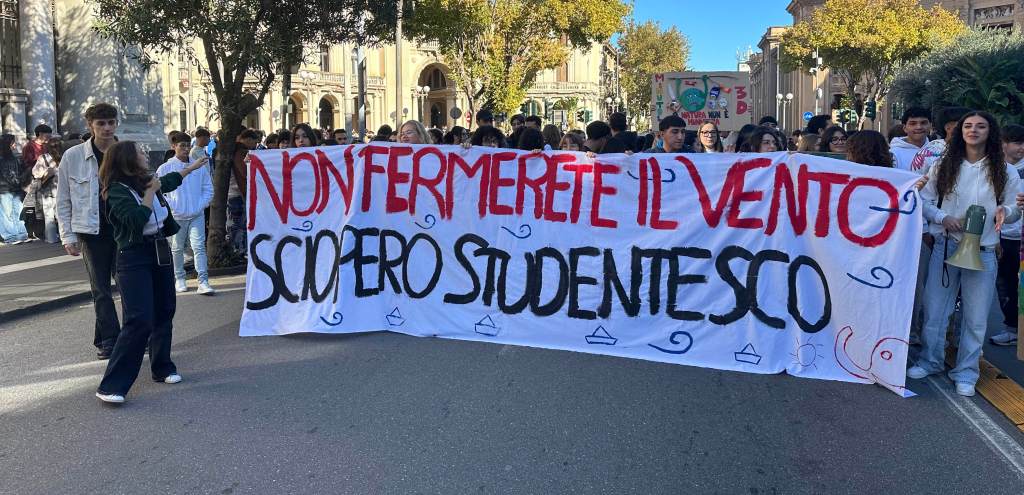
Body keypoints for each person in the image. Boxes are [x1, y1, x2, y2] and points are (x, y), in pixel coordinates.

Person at [909, 111, 1022, 397]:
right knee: (935, 311)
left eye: (980, 126)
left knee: (975, 318)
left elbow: (1015, 209)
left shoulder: (1004, 170)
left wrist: (1004, 212)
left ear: (990, 132)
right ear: (960, 131)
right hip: (947, 248)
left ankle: (966, 371)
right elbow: (924, 199)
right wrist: (942, 217)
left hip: (983, 252)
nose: (973, 130)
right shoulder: (944, 164)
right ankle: (930, 360)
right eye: (968, 126)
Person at [93, 140, 207, 404]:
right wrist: (149, 193)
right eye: (140, 153)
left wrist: (190, 169)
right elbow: (135, 220)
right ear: (127, 160)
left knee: (165, 310)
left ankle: (162, 367)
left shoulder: (146, 180)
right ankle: (112, 385)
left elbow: (167, 182)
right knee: (138, 319)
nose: (145, 156)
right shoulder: (117, 190)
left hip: (159, 249)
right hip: (133, 256)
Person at [57, 103, 123, 359]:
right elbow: (63, 198)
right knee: (101, 289)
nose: (107, 128)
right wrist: (67, 235)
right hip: (90, 231)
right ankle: (108, 339)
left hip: (123, 230)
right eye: (101, 124)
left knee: (128, 285)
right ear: (90, 125)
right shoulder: (73, 156)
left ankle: (133, 336)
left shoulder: (125, 152)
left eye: (111, 122)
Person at [157, 131, 214, 295]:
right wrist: (174, 207)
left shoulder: (199, 166)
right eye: (182, 145)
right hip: (176, 216)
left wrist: (200, 206)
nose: (186, 148)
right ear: (173, 146)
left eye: (188, 145)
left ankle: (203, 281)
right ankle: (180, 278)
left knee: (198, 247)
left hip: (196, 214)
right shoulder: (165, 168)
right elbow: (161, 193)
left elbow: (208, 189)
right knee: (177, 248)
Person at [991, 124, 1024, 347]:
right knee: (1005, 286)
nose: (1022, 148)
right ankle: (1012, 329)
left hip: (1022, 238)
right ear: (1003, 143)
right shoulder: (992, 169)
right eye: (1018, 143)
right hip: (1002, 237)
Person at [911, 106, 971, 175]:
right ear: (947, 127)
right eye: (966, 125)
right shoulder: (927, 154)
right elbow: (915, 182)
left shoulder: (976, 150)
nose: (972, 129)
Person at [228, 130, 257, 255]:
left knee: (239, 224)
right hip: (236, 194)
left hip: (235, 193)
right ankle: (238, 251)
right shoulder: (240, 152)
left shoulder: (233, 151)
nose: (255, 145)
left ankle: (239, 249)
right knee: (239, 225)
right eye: (255, 141)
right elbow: (245, 172)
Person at [31, 137, 64, 243]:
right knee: (62, 215)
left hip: (47, 190)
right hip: (62, 190)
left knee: (49, 215)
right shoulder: (65, 156)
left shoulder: (43, 158)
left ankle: (51, 238)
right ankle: (66, 237)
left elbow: (35, 173)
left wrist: (46, 172)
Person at [0, 133, 29, 244]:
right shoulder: (3, 158)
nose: (14, 145)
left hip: (15, 189)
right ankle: (10, 237)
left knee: (18, 212)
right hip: (4, 189)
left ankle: (21, 235)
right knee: (6, 213)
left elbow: (18, 171)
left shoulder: (14, 157)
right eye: (13, 143)